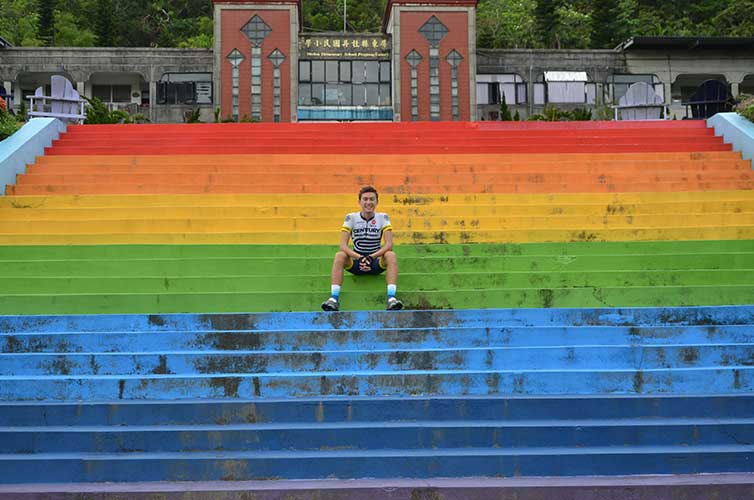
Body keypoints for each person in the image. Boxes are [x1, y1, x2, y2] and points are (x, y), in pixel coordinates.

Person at [322, 186, 403, 312]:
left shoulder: (383, 217)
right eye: (365, 199)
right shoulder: (351, 217)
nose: (368, 202)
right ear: (359, 202)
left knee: (390, 255)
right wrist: (360, 258)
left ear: (377, 202)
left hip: (375, 262)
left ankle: (391, 298)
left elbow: (389, 245)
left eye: (372, 199)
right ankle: (333, 299)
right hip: (357, 262)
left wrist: (371, 257)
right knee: (340, 255)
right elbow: (343, 245)